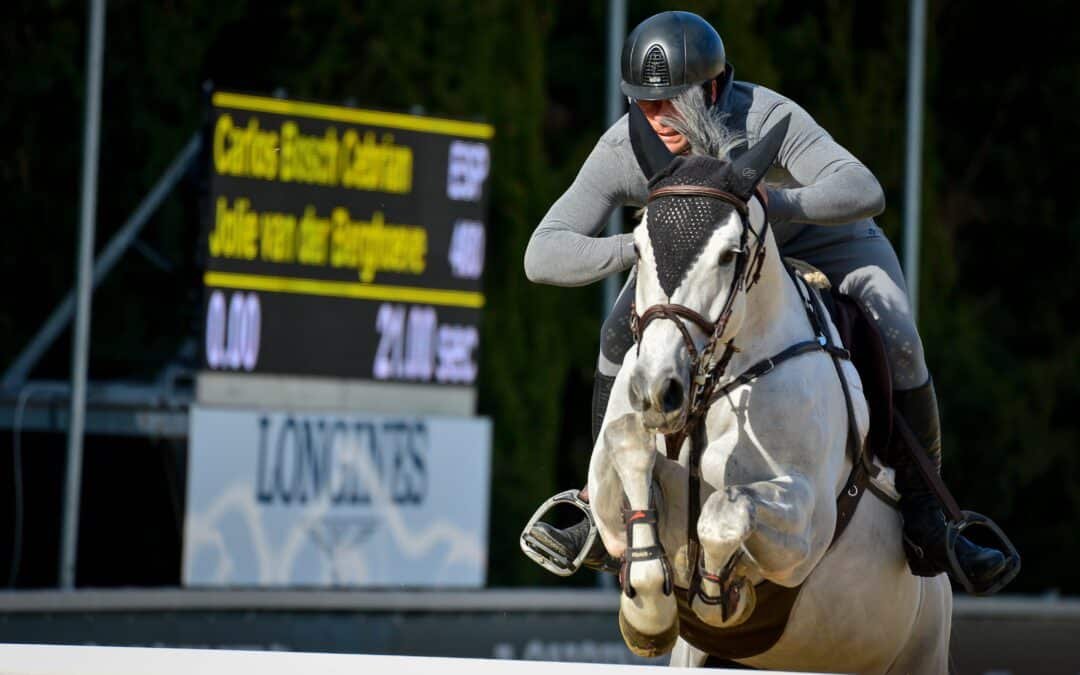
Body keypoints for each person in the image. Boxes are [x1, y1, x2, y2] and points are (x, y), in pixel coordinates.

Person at [522, 10, 1012, 591]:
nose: (656, 118)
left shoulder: (765, 114)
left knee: (899, 333)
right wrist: (641, 245)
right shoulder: (625, 145)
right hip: (704, 259)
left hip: (820, 239)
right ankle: (591, 505)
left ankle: (929, 512)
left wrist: (770, 204)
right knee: (614, 334)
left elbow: (863, 188)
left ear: (712, 87)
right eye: (644, 103)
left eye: (671, 101)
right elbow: (542, 253)